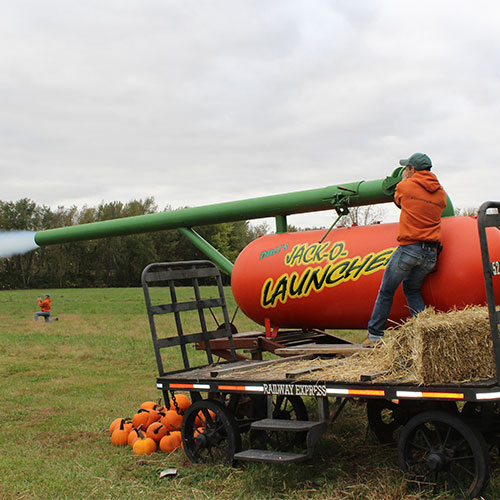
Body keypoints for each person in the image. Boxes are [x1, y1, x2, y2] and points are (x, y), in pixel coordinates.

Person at [363, 152, 447, 347]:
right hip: (431, 254)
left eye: (406, 168)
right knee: (412, 288)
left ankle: (375, 335)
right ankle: (424, 334)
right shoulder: (441, 192)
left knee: (386, 291)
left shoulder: (405, 186)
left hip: (410, 248)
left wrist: (403, 180)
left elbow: (399, 200)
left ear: (412, 170)